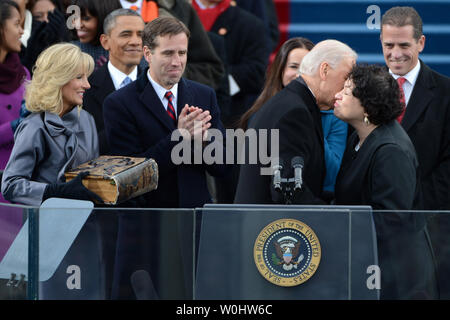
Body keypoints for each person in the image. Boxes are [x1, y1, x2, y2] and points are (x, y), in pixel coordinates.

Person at [334, 64, 438, 299]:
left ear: (367, 106)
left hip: (395, 280)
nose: (337, 95)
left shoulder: (391, 151)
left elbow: (390, 221)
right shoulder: (358, 138)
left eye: (347, 91)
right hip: (372, 267)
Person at [103, 16, 227, 208]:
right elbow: (129, 176)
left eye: (182, 53)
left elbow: (223, 167)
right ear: (147, 54)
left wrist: (204, 144)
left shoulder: (204, 95)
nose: (177, 62)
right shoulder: (119, 103)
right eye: (168, 53)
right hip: (148, 220)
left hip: (196, 215)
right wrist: (179, 137)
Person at [234, 39, 356, 205]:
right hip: (268, 226)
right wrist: (331, 216)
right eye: (347, 77)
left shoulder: (293, 102)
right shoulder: (295, 112)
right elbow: (287, 191)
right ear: (325, 70)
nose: (348, 86)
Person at [1, 43, 101, 206]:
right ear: (58, 79)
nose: (87, 85)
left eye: (86, 77)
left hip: (87, 222)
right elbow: (11, 185)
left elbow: (95, 174)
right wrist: (54, 192)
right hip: (47, 225)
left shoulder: (86, 119)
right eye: (79, 77)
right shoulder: (34, 126)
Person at [380, 6, 450, 211]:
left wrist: (415, 207)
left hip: (429, 218)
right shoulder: (363, 89)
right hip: (375, 215)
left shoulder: (446, 92)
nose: (395, 54)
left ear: (421, 43)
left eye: (404, 45)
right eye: (389, 45)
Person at [120, 0, 224, 91]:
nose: (134, 42)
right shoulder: (104, 10)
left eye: (182, 53)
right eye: (125, 35)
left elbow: (210, 69)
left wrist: (172, 75)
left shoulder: (180, 9)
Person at [83, 8, 144, 155]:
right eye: (126, 34)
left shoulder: (158, 87)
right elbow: (86, 148)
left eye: (141, 35)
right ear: (105, 42)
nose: (136, 41)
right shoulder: (85, 89)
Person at [0, 0, 30, 203]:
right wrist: (15, 126)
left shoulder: (23, 73)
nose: (21, 31)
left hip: (20, 180)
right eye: (17, 24)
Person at [71, 0, 122, 69]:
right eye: (75, 18)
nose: (77, 25)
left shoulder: (127, 54)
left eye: (86, 19)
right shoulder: (69, 53)